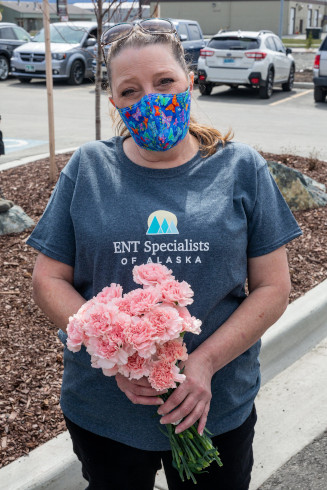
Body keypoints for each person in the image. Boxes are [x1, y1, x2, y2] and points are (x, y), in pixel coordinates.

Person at [27, 18, 302, 490]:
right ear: (113, 101)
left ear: (189, 82)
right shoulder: (88, 168)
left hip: (215, 407)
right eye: (130, 90)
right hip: (104, 412)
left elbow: (274, 288)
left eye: (164, 82)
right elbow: (47, 279)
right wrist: (114, 347)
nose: (149, 99)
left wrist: (205, 363)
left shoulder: (241, 168)